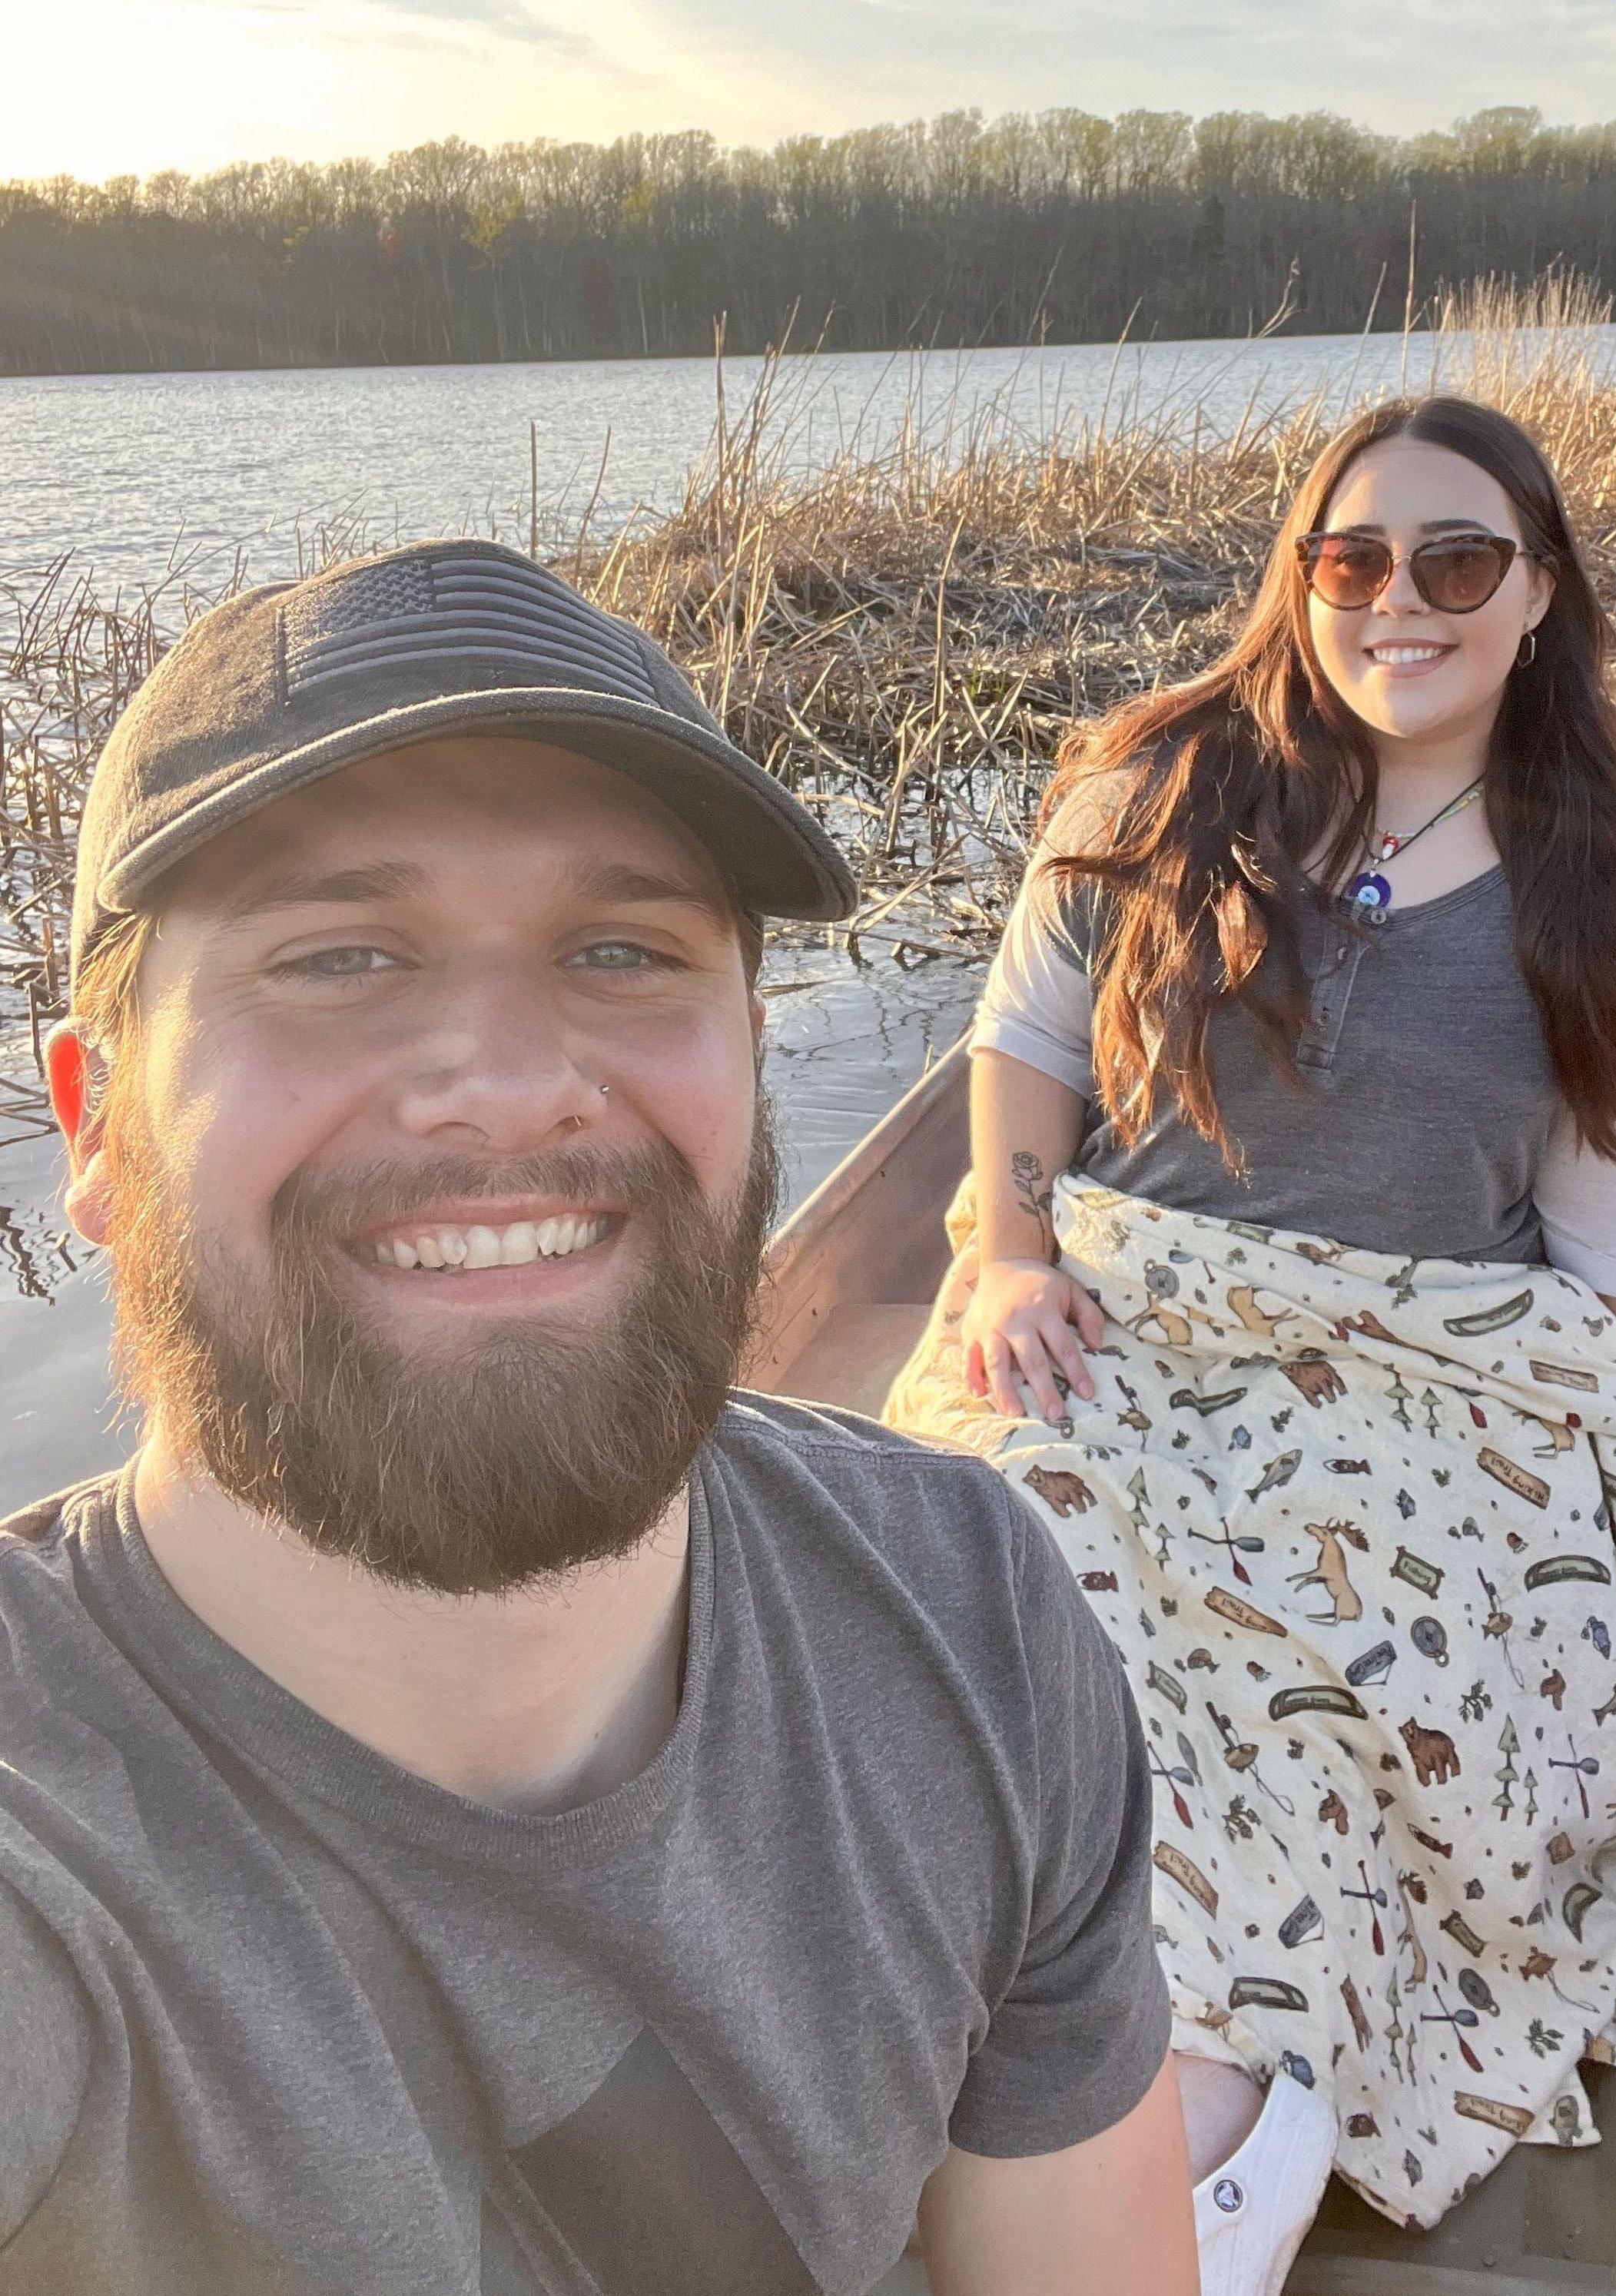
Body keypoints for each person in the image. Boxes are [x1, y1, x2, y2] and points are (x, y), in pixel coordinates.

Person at [0, 540, 1196, 2296]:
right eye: (340, 957)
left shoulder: (971, 1622)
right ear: (98, 1128)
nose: (508, 1085)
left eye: (623, 948)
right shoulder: (53, 1880)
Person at [884, 396, 1616, 2294]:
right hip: (1121, 1308)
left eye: (1459, 562)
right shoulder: (1155, 781)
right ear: (1301, 583)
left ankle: (1213, 2094)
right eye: (1354, 560)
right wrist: (1008, 1256)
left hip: (1418, 1361)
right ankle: (1048, 2052)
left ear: (1540, 593)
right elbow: (1028, 1049)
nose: (1405, 601)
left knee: (1352, 1658)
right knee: (1024, 1583)